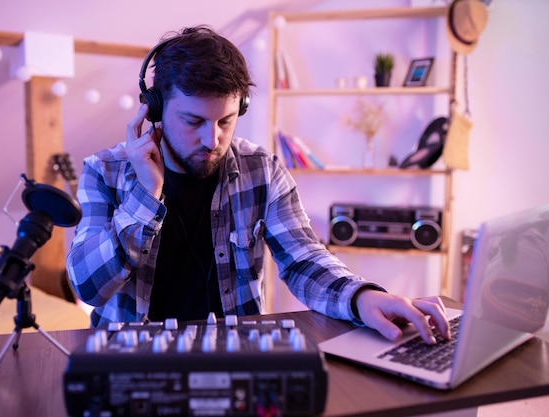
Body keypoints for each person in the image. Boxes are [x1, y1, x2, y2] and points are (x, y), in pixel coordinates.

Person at [66, 26, 450, 345]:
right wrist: (145, 197)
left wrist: (363, 298)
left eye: (226, 121)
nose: (212, 140)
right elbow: (87, 286)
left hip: (237, 359)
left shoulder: (261, 170)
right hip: (132, 362)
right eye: (193, 121)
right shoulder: (105, 172)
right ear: (153, 109)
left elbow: (304, 259)